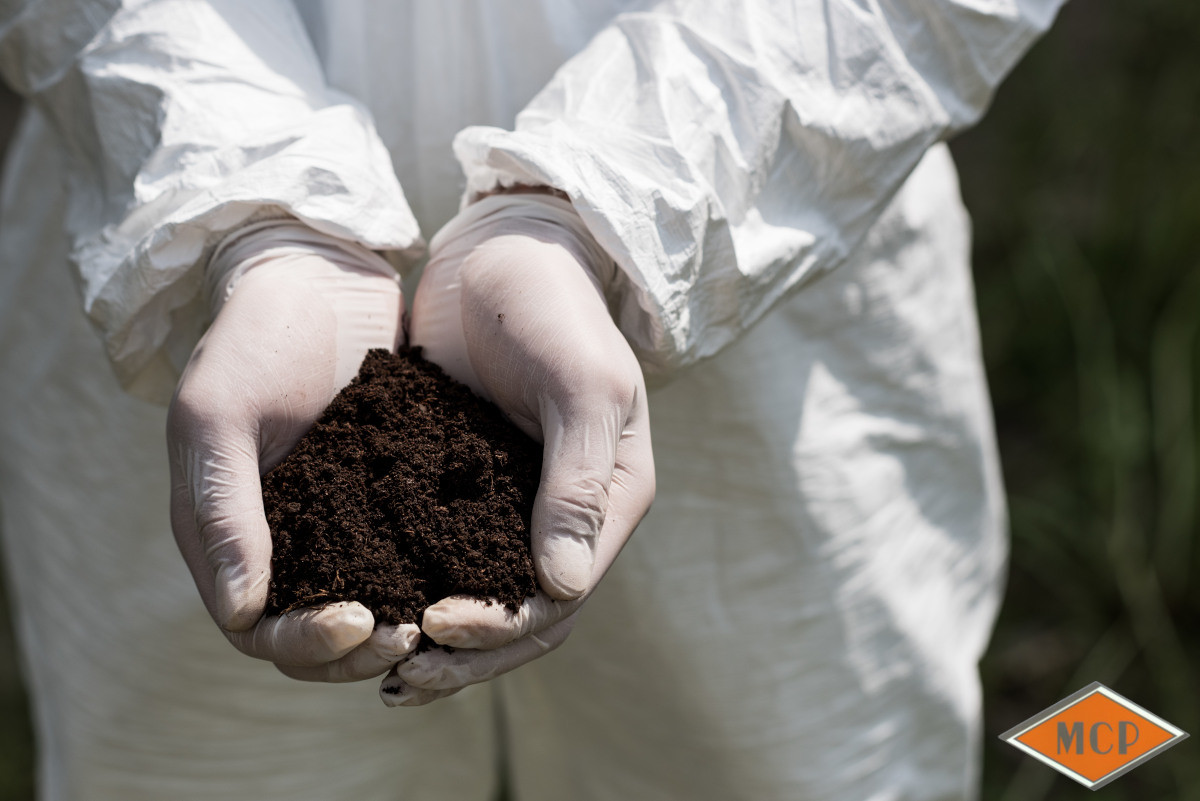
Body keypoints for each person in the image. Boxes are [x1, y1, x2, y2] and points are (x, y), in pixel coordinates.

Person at [0, 1, 1062, 798]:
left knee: (788, 749)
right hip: (189, 267)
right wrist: (250, 215)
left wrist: (602, 209)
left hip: (756, 229)